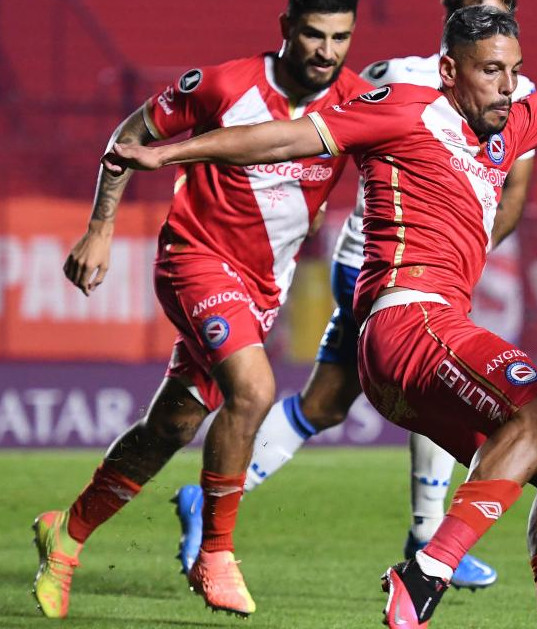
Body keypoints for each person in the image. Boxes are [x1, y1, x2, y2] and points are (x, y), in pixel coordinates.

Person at [105, 3, 537, 626]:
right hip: (408, 320)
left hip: (415, 350)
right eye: (491, 71)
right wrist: (174, 154)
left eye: (514, 70)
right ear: (449, 71)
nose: (508, 86)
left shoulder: (511, 126)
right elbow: (286, 136)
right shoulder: (404, 108)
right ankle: (429, 568)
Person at [170, 0, 536, 591]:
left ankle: (207, 495)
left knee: (325, 404)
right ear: (451, 15)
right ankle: (427, 534)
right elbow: (322, 138)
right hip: (379, 265)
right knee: (438, 378)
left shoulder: (515, 89)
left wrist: (459, 253)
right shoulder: (398, 77)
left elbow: (512, 189)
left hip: (414, 273)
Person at [32, 0, 370, 619]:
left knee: (172, 428)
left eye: (340, 37)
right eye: (314, 34)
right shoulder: (223, 84)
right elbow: (130, 136)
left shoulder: (356, 102)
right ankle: (215, 552)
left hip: (264, 287)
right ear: (286, 30)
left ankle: (67, 533)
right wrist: (100, 228)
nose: (327, 50)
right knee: (255, 389)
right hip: (195, 259)